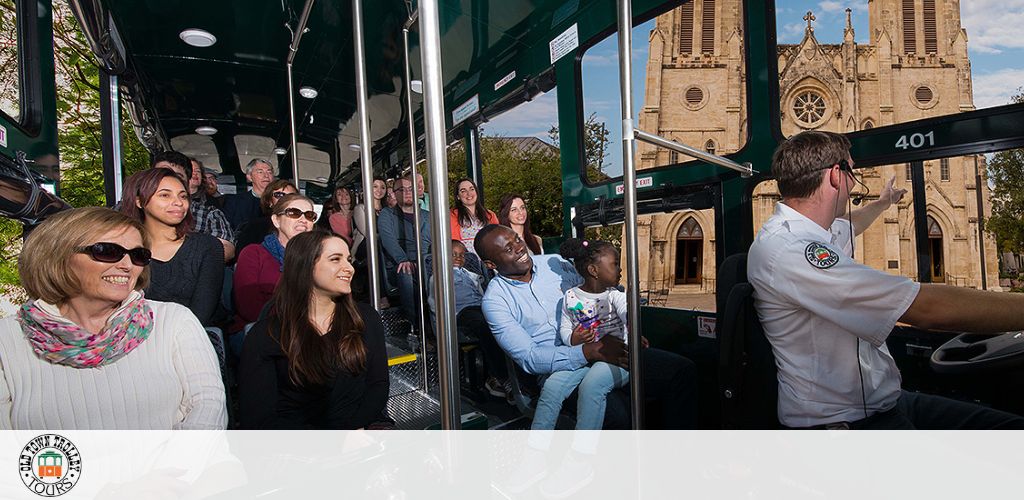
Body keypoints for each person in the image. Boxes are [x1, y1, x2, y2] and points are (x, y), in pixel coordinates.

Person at [748, 130, 1024, 429]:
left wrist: (882, 203)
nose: (855, 181)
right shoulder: (792, 249)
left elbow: (849, 226)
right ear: (835, 176)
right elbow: (926, 309)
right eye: (851, 170)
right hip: (846, 424)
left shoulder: (811, 232)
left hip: (886, 402)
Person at [0, 207, 226, 429]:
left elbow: (208, 405)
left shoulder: (173, 321)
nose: (127, 265)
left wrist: (176, 464)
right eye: (107, 251)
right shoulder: (7, 339)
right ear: (58, 257)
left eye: (138, 255)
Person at [476, 224, 698, 429]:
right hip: (561, 369)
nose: (519, 247)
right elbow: (530, 357)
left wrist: (624, 329)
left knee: (680, 371)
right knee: (619, 413)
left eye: (516, 239)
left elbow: (595, 295)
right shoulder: (496, 301)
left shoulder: (555, 264)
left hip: (605, 343)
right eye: (508, 248)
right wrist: (589, 351)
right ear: (491, 264)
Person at [239, 231, 390, 429]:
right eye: (336, 259)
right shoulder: (266, 335)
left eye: (349, 259)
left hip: (359, 433)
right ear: (306, 265)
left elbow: (377, 384)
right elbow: (258, 416)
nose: (349, 268)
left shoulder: (366, 318)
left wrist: (353, 431)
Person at [524, 237, 633, 432]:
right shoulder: (571, 296)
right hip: (583, 355)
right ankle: (537, 442)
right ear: (594, 271)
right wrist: (573, 338)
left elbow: (628, 315)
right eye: (615, 264)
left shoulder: (615, 296)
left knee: (591, 386)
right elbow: (565, 327)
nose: (620, 269)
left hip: (614, 358)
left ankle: (583, 450)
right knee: (551, 387)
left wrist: (632, 335)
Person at [119, 169, 224, 327]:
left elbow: (201, 314)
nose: (179, 203)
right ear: (139, 201)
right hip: (129, 337)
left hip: (190, 338)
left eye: (183, 196)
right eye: (165, 195)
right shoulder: (120, 251)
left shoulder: (207, 247)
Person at [427, 240, 511, 401]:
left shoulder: (470, 275)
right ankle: (501, 377)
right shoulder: (438, 276)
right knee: (485, 326)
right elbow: (434, 302)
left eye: (462, 255)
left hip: (480, 307)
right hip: (462, 312)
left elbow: (481, 294)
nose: (459, 257)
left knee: (505, 319)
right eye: (454, 254)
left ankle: (517, 373)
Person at [233, 193, 316, 326]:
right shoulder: (254, 254)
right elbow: (248, 307)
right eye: (294, 213)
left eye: (309, 215)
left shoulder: (319, 257)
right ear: (276, 220)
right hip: (264, 327)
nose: (303, 219)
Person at [377, 174, 432, 326]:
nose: (408, 192)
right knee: (406, 273)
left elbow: (433, 242)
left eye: (411, 188)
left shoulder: (428, 216)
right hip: (400, 264)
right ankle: (417, 326)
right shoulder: (387, 215)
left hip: (426, 261)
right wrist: (403, 259)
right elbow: (389, 241)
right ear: (394, 193)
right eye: (402, 189)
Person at [186, 158, 235, 261]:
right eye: (191, 170)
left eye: (198, 171)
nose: (195, 174)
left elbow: (226, 248)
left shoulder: (211, 208)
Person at [233, 180, 299, 255]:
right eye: (279, 195)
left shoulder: (306, 225)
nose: (286, 199)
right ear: (270, 202)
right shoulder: (255, 227)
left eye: (291, 196)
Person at [223, 158, 275, 230]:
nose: (266, 176)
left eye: (269, 172)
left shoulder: (279, 200)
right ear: (249, 177)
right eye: (260, 172)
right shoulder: (235, 202)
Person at [450, 178, 498, 255]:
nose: (469, 193)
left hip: (489, 258)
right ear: (458, 197)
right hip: (466, 259)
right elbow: (454, 242)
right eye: (463, 191)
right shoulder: (452, 215)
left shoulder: (490, 215)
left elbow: (497, 239)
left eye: (471, 189)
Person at [352, 177, 386, 254]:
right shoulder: (361, 208)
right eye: (375, 186)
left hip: (384, 251)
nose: (379, 190)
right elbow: (367, 233)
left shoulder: (387, 210)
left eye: (383, 187)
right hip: (366, 251)